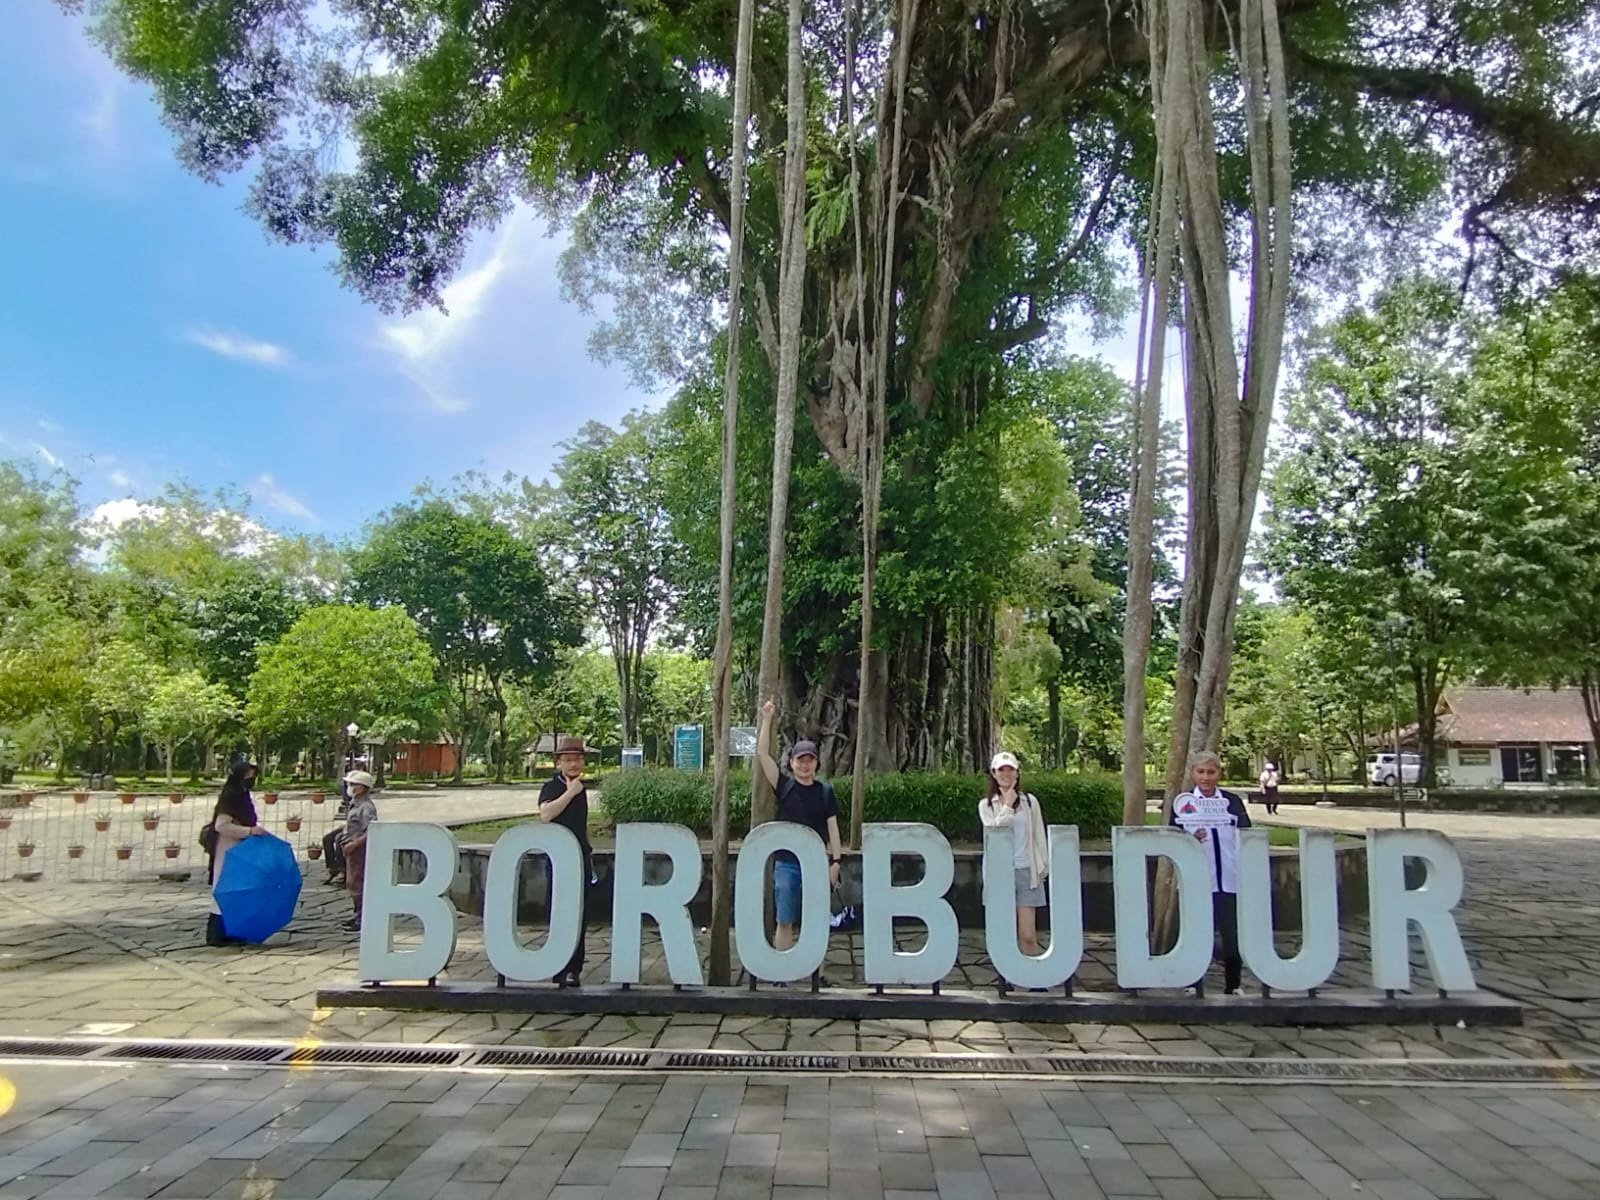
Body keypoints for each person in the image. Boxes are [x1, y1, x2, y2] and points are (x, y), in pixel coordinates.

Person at [755, 698, 843, 966]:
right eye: (800, 760)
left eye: (810, 761)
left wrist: (836, 862)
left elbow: (833, 829)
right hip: (787, 864)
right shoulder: (784, 787)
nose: (805, 765)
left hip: (816, 863)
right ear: (791, 762)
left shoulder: (825, 791)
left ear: (816, 763)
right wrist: (768, 719)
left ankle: (815, 971)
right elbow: (763, 756)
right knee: (785, 918)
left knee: (816, 921)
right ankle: (782, 970)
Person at [1170, 749, 1251, 995]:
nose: (1206, 777)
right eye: (1201, 772)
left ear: (1219, 773)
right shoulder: (1183, 804)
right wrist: (1191, 838)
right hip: (1199, 879)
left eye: (1211, 772)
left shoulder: (1232, 802)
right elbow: (1172, 838)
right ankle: (1193, 982)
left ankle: (1234, 984)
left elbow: (1247, 834)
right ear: (1193, 774)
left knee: (1232, 934)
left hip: (1230, 878)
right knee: (1197, 932)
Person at [977, 750, 1049, 958]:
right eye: (1001, 770)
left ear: (1017, 774)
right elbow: (996, 830)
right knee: (1003, 932)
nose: (1006, 774)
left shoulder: (1030, 802)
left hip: (1026, 871)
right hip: (1001, 874)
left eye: (1011, 770)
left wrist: (1043, 865)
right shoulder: (986, 805)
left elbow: (1038, 834)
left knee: (1028, 934)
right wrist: (1007, 804)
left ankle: (1034, 978)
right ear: (993, 773)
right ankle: (1006, 976)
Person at [538, 736, 592, 988]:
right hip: (558, 857)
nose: (573, 764)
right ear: (559, 762)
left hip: (580, 856)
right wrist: (570, 793)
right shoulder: (552, 786)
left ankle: (573, 968)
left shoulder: (582, 787)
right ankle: (557, 963)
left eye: (577, 759)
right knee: (558, 910)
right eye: (568, 760)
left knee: (580, 912)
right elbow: (546, 814)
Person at [207, 759, 268, 947]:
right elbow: (222, 825)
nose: (251, 778)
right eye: (248, 775)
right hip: (228, 849)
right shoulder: (231, 796)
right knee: (225, 889)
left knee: (236, 889)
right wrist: (248, 831)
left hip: (239, 850)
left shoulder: (242, 795)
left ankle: (232, 930)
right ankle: (217, 934)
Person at [341, 770, 378, 932]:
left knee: (358, 883)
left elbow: (371, 830)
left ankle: (362, 917)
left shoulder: (366, 807)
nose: (349, 787)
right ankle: (357, 914)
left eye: (353, 784)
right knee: (352, 882)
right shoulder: (355, 803)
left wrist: (355, 844)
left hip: (359, 849)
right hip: (351, 847)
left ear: (362, 788)